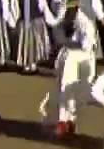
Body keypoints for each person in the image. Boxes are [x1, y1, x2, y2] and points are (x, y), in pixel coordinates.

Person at [41, 10, 99, 139]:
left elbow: (86, 45)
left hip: (80, 59)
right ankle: (62, 121)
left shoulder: (85, 23)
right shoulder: (64, 18)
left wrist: (67, 42)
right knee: (63, 88)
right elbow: (55, 24)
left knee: (74, 90)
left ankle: (70, 120)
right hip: (68, 57)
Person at [14, 0, 63, 74]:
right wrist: (55, 21)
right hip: (36, 23)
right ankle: (32, 64)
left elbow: (16, 11)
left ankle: (27, 64)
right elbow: (45, 11)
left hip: (24, 24)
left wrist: (14, 23)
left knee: (26, 43)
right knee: (34, 44)